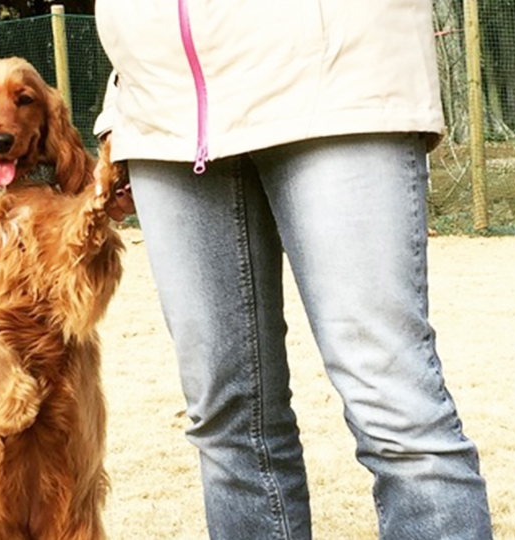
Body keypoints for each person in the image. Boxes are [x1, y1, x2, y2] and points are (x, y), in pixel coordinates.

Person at [92, 1, 493, 539]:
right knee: (227, 424)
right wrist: (121, 108)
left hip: (338, 78)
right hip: (162, 106)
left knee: (395, 413)